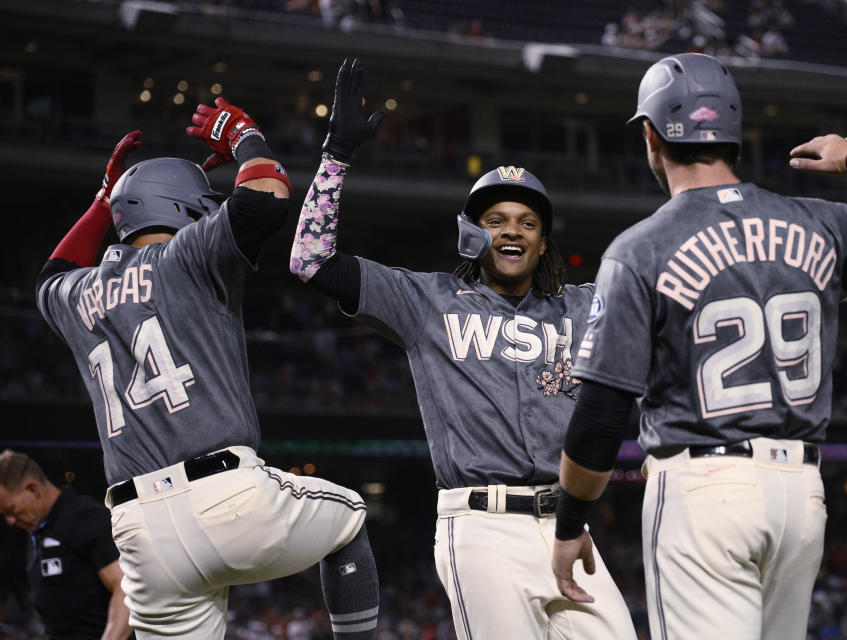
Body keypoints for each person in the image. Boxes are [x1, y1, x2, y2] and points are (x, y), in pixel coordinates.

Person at [550, 52, 847, 640]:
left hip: (704, 493)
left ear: (651, 135)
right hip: (800, 496)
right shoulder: (820, 223)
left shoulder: (640, 249)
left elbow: (602, 419)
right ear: (731, 133)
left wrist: (569, 522)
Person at [289, 58, 636, 640]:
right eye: (496, 219)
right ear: (472, 233)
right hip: (481, 529)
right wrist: (336, 157)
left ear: (543, 240)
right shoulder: (428, 300)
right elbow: (310, 260)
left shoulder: (583, 306)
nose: (512, 231)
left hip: (568, 525)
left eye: (527, 222)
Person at [35, 100, 379, 639]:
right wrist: (244, 135)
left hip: (137, 530)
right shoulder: (187, 255)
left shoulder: (76, 295)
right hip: (226, 496)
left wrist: (105, 201)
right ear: (180, 209)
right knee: (351, 517)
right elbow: (264, 197)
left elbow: (52, 272)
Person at [0, 450, 132, 640]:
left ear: (32, 489)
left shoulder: (84, 518)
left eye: (11, 510)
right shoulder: (37, 531)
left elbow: (125, 589)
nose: (9, 521)